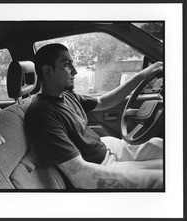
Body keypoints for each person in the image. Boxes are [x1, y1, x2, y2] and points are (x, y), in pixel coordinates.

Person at [25, 43, 164, 189]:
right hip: (101, 165)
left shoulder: (66, 95)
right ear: (48, 71)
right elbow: (80, 175)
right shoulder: (41, 114)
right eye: (67, 65)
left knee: (160, 146)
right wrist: (152, 181)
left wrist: (140, 77)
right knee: (162, 178)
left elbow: (103, 102)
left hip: (107, 148)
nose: (75, 71)